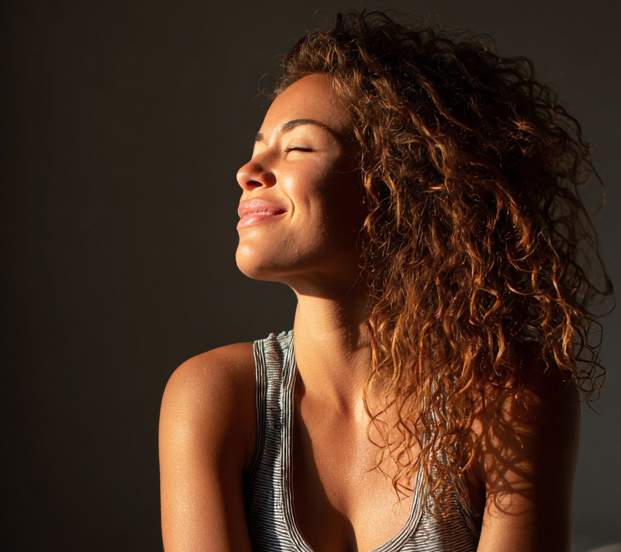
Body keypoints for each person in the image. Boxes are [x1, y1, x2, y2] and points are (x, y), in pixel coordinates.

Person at [159, 11, 612, 552]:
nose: (248, 171)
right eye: (258, 147)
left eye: (298, 147)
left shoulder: (507, 396)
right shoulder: (214, 397)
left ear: (403, 188)